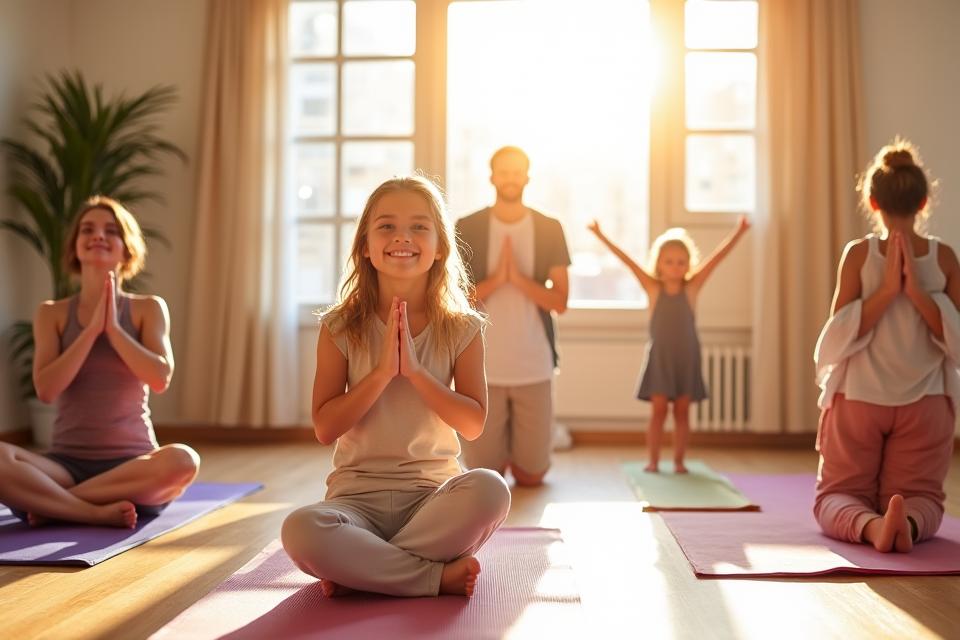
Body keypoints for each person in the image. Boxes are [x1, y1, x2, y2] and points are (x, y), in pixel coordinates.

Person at [281, 176, 511, 598]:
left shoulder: (464, 328)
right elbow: (325, 428)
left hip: (433, 499)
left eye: (419, 226)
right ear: (365, 246)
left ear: (440, 246)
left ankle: (364, 569)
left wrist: (418, 374)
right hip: (355, 500)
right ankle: (428, 576)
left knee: (491, 489)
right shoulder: (339, 326)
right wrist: (382, 374)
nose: (402, 237)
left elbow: (473, 424)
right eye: (386, 226)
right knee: (300, 529)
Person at [0, 196, 199, 528]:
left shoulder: (148, 308)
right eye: (87, 229)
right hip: (64, 465)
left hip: (134, 467)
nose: (98, 236)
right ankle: (89, 511)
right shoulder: (52, 313)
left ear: (126, 248)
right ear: (75, 247)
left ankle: (54, 504)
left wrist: (114, 330)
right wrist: (90, 332)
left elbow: (160, 377)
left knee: (182, 460)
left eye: (111, 230)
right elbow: (47, 390)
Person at [814, 140, 958, 552]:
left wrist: (887, 292)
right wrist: (917, 293)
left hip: (858, 398)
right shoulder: (944, 258)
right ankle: (907, 524)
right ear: (924, 202)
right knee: (924, 499)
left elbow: (836, 335)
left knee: (836, 497)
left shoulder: (859, 255)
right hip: (927, 404)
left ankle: (871, 527)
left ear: (872, 202)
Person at [588, 216, 750, 473]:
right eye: (669, 262)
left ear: (688, 265)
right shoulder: (653, 288)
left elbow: (718, 258)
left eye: (681, 262)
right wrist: (600, 235)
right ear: (659, 265)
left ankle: (678, 461)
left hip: (687, 357)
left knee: (683, 412)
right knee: (659, 411)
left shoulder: (692, 288)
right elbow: (627, 260)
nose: (675, 267)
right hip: (661, 357)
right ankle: (652, 461)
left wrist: (739, 232)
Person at [456, 146, 570, 487]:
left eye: (516, 171)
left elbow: (560, 301)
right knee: (485, 477)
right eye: (503, 172)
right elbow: (455, 300)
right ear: (492, 177)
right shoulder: (468, 226)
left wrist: (518, 280)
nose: (510, 178)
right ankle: (504, 442)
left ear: (527, 176)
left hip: (533, 365)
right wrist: (496, 281)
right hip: (482, 369)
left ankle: (523, 444)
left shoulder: (549, 227)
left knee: (531, 476)